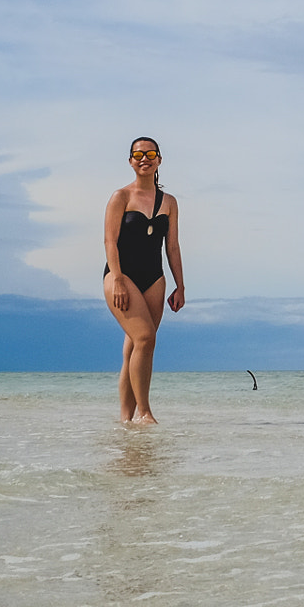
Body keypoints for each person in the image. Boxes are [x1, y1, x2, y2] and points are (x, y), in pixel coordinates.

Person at [102, 137, 186, 424]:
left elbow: (172, 247)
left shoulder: (170, 203)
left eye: (150, 154)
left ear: (159, 160)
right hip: (121, 276)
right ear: (130, 161)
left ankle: (125, 420)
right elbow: (110, 242)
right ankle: (145, 412)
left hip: (155, 278)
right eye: (138, 155)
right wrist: (118, 280)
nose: (144, 159)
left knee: (137, 346)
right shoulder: (121, 197)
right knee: (145, 338)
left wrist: (180, 285)